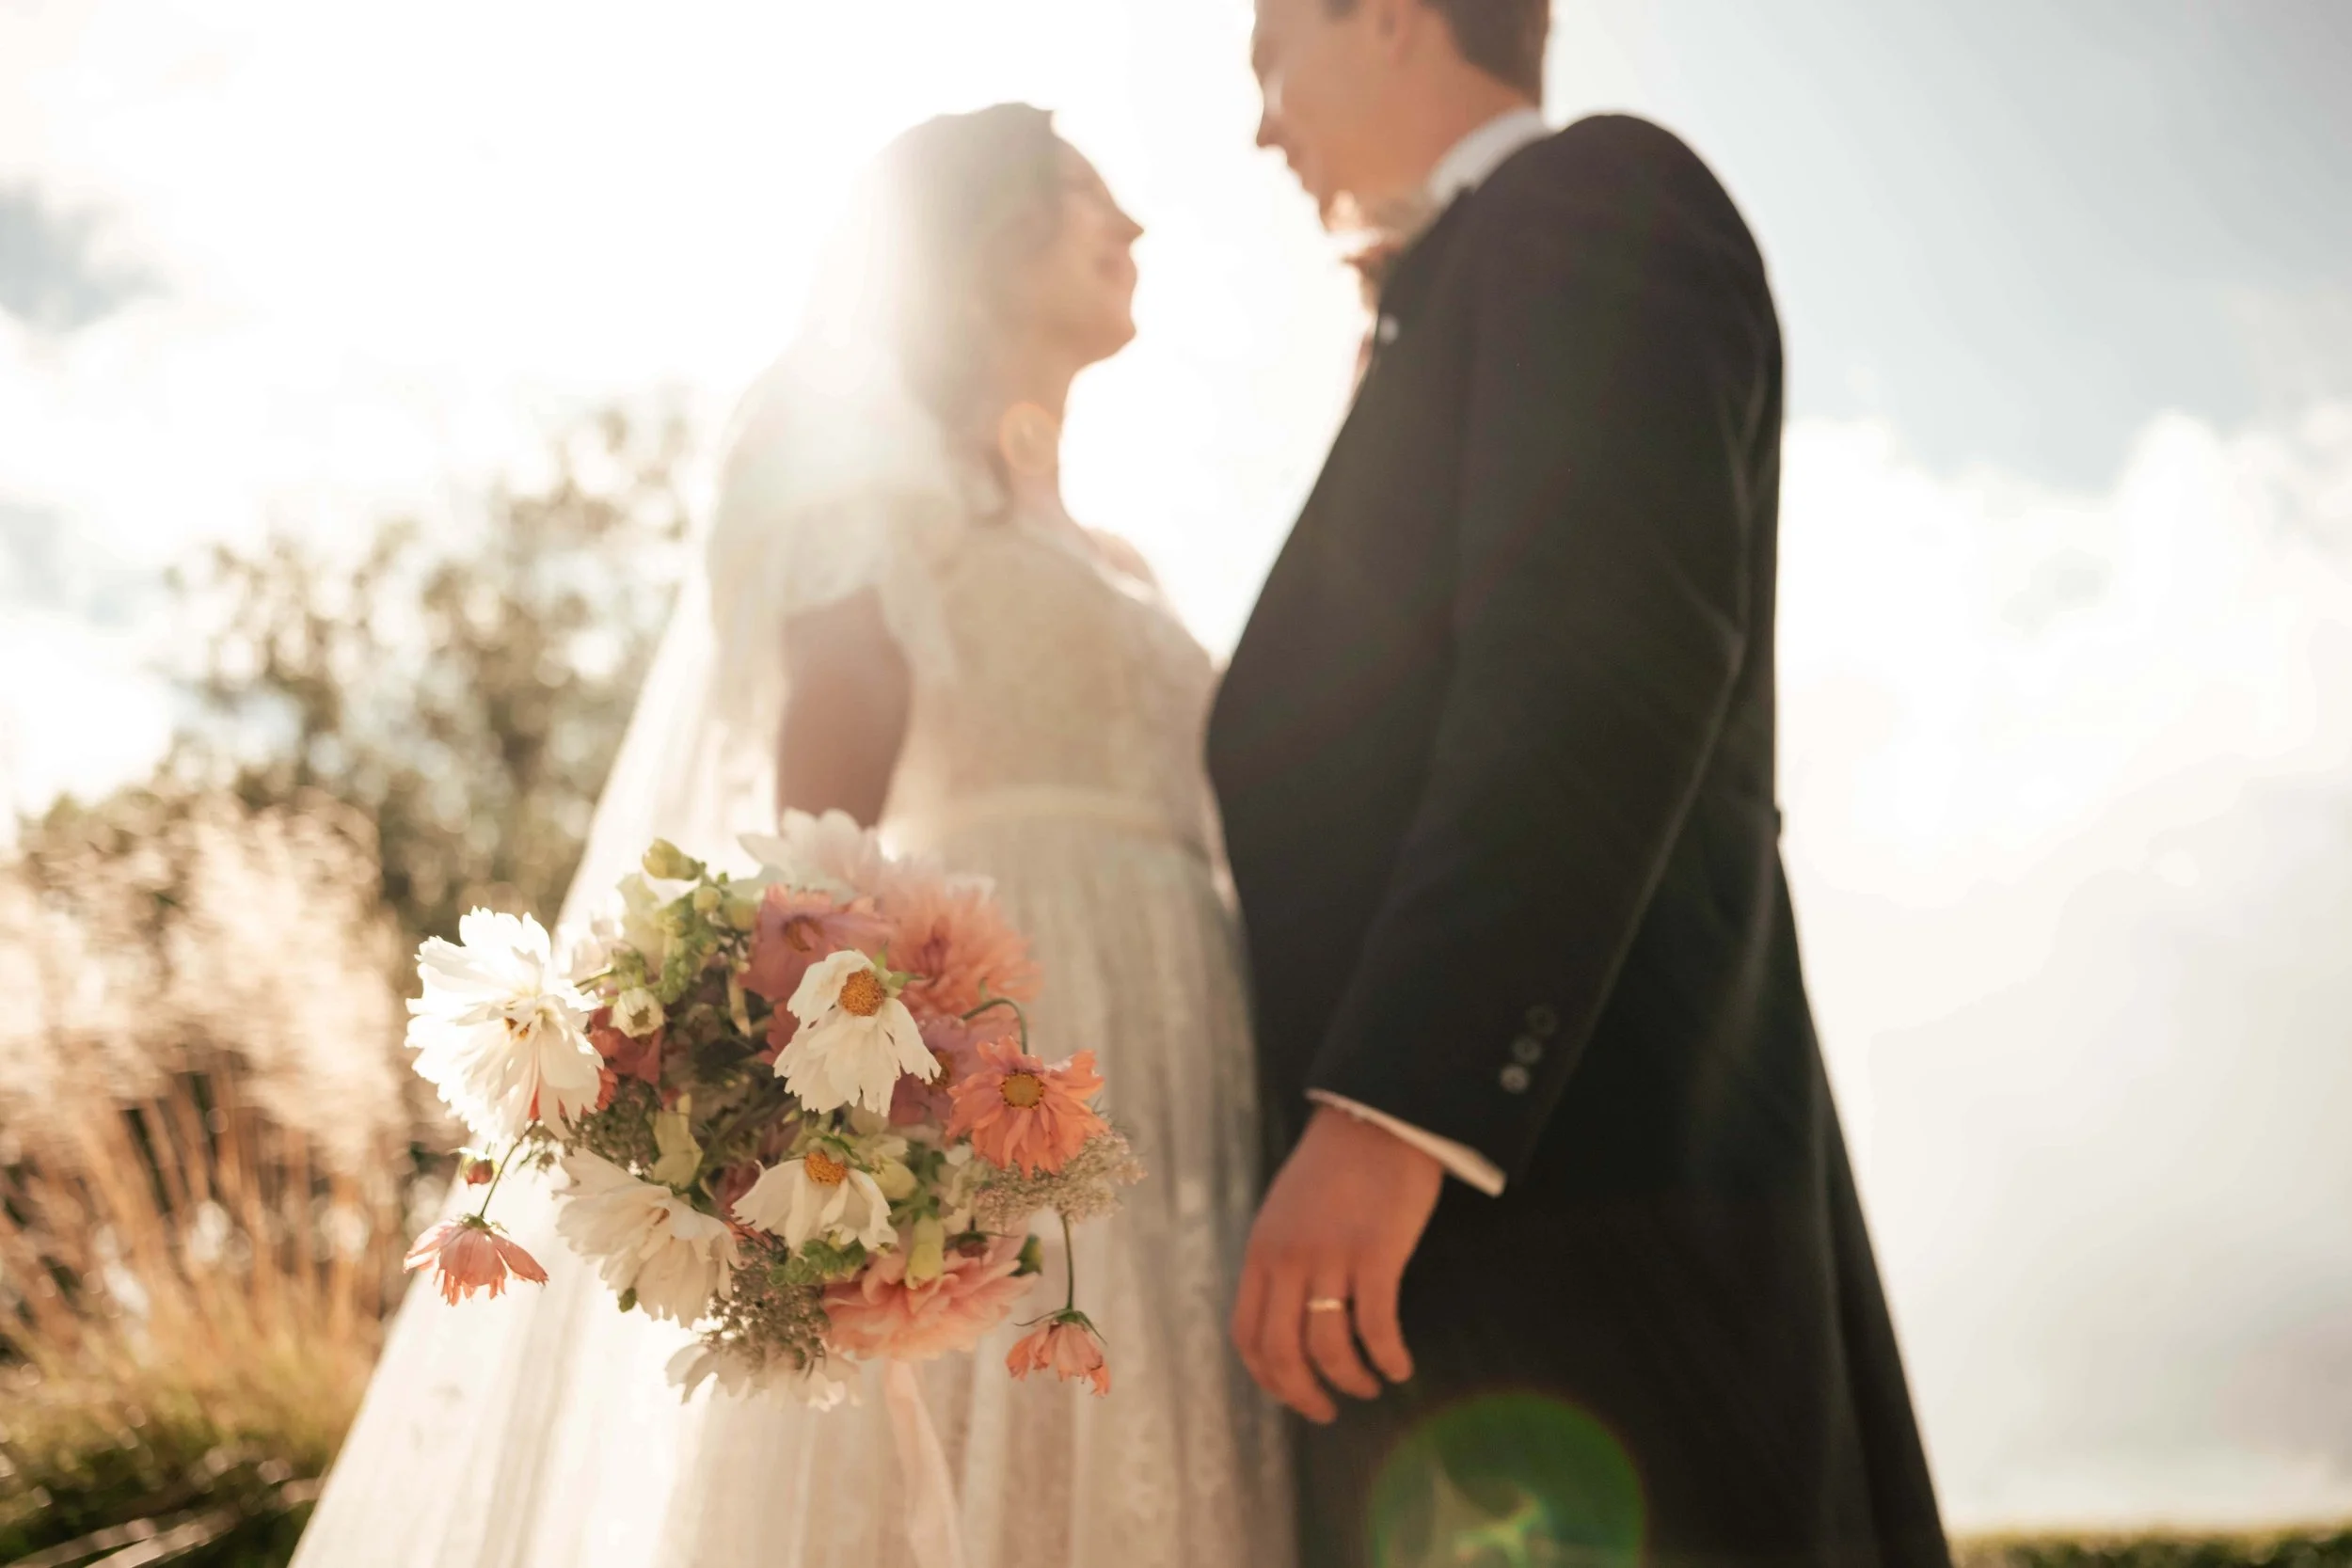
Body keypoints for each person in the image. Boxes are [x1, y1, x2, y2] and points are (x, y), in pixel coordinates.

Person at [293, 104, 1293, 1568]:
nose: (1132, 229)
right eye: (1088, 195)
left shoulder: (1126, 556)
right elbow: (814, 859)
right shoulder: (884, 486)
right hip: (1002, 1045)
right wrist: (842, 1136)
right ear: (980, 237)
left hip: (1182, 1067)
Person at [1208, 1, 1954, 1563]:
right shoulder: (1451, 295)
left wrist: (1393, 1113)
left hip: (1591, 1220)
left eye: (1273, 58)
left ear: (1394, 20)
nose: (1263, 125)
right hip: (1479, 1272)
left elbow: (1592, 668)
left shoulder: (1594, 202)